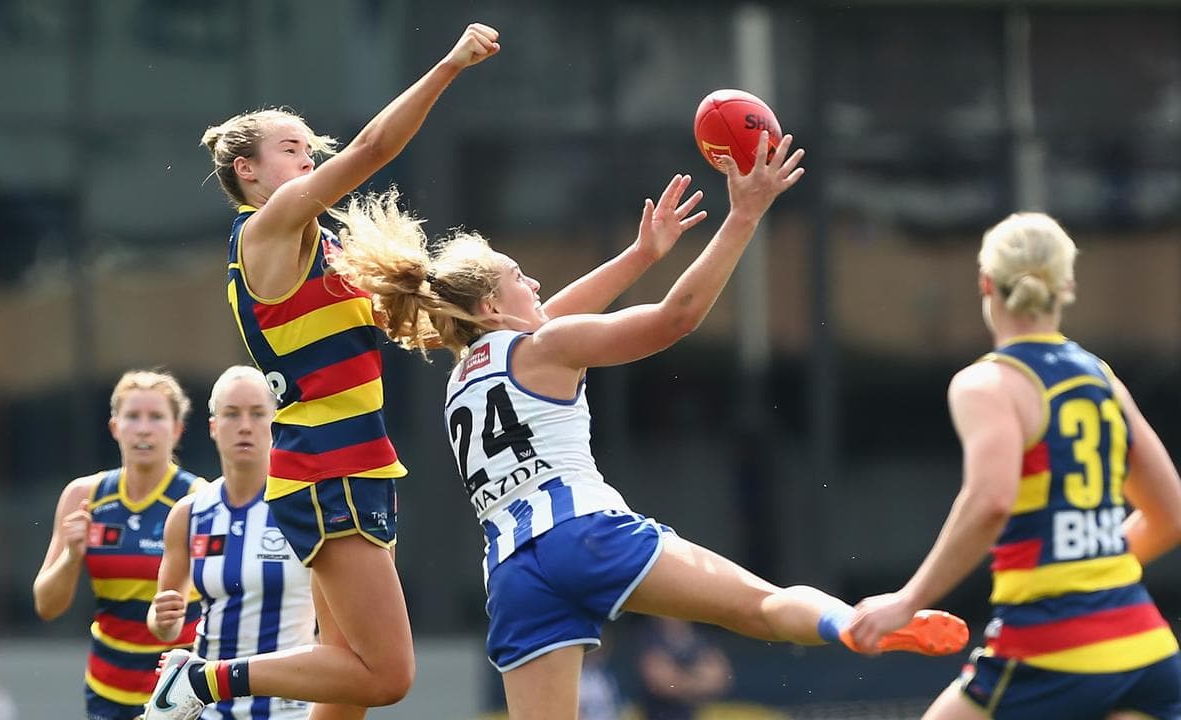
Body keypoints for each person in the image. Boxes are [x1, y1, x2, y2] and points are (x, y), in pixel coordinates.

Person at [319, 133, 969, 720]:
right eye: (520, 276)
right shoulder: (544, 347)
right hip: (585, 534)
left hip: (514, 572)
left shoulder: (462, 376)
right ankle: (850, 623)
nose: (535, 281)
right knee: (762, 608)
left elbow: (550, 317)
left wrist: (640, 254)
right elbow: (674, 318)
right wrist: (744, 216)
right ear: (491, 305)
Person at [143, 22, 501, 720]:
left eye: (310, 149)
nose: (308, 159)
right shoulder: (267, 227)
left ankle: (202, 681)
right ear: (246, 170)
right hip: (327, 467)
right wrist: (450, 65)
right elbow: (373, 148)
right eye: (290, 149)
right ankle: (199, 681)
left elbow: (413, 330)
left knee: (347, 678)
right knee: (387, 677)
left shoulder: (323, 248)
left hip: (354, 463)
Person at [845, 212, 1181, 720]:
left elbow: (991, 502)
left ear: (986, 283)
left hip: (1048, 652)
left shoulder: (989, 385)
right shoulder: (1102, 380)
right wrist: (1089, 568)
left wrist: (907, 601)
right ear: (1067, 286)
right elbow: (1170, 515)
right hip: (1147, 655)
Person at [32, 369, 205, 720]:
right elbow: (46, 606)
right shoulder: (84, 497)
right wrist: (71, 557)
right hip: (106, 691)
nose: (144, 429)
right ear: (114, 427)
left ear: (177, 429)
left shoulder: (199, 499)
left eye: (156, 417)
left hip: (179, 692)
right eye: (133, 416)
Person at [147, 365, 315, 720]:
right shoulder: (189, 513)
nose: (245, 426)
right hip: (208, 708)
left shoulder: (305, 509)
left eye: (258, 414)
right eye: (232, 414)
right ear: (213, 426)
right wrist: (161, 618)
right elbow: (166, 623)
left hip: (290, 710)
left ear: (276, 422)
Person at [635, 617, 732, 720]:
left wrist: (680, 679)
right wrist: (699, 681)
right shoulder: (651, 636)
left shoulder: (700, 637)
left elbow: (721, 680)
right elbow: (663, 683)